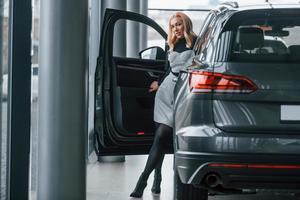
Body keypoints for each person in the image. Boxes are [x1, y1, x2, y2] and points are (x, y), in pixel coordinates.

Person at [130, 12, 197, 198]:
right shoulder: (171, 43)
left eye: (179, 24)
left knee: (163, 134)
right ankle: (153, 178)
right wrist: (158, 82)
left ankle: (144, 178)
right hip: (166, 92)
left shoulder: (196, 42)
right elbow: (167, 68)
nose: (176, 28)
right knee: (159, 137)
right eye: (173, 25)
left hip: (183, 92)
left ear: (186, 24)